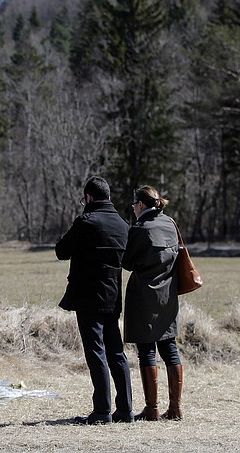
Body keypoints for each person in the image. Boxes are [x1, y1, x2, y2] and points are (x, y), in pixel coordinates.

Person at [55, 176, 134, 425]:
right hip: (113, 295)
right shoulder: (122, 224)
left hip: (88, 297)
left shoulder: (85, 222)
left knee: (96, 354)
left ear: (89, 197)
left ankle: (102, 411)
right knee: (116, 353)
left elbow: (61, 251)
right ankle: (125, 409)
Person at [122, 185, 183, 421]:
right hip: (168, 295)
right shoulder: (170, 223)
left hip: (143, 295)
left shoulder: (139, 229)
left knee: (147, 351)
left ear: (140, 205)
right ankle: (176, 408)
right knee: (170, 349)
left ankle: (152, 408)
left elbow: (127, 262)